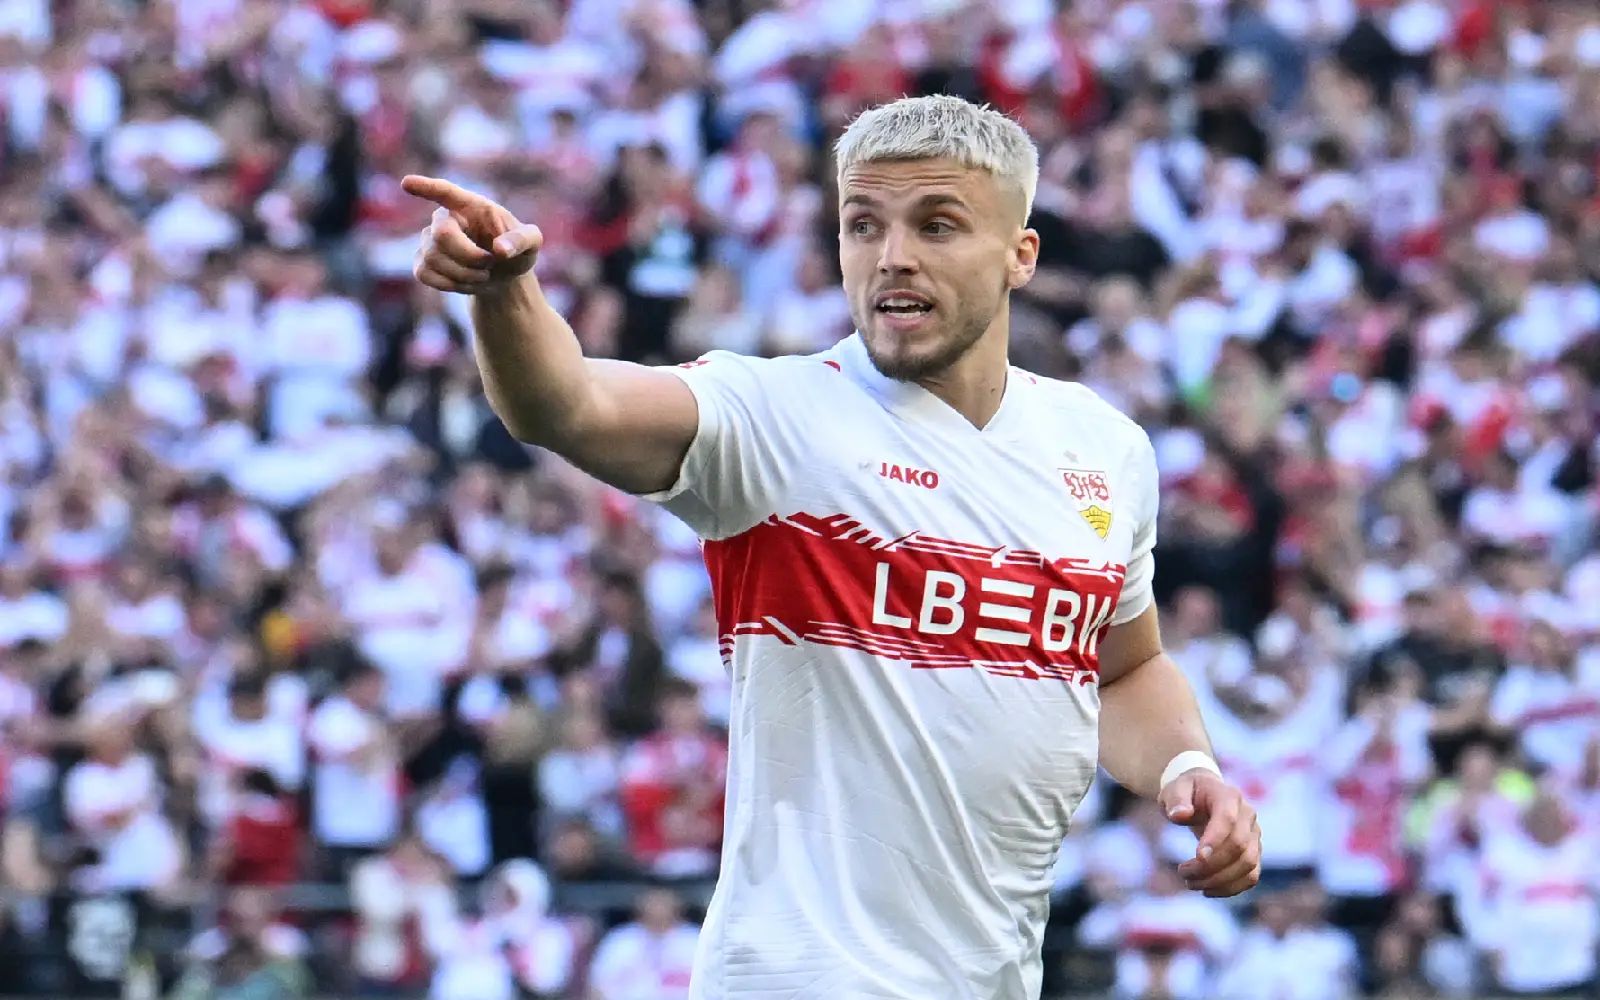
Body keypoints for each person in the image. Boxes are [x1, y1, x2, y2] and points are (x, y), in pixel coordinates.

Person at [405, 94, 1262, 998]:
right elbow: (565, 403)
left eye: (937, 225)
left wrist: (1187, 767)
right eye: (863, 225)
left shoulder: (1104, 448)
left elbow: (1123, 669)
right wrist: (504, 292)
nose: (892, 256)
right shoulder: (776, 416)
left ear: (1022, 256)